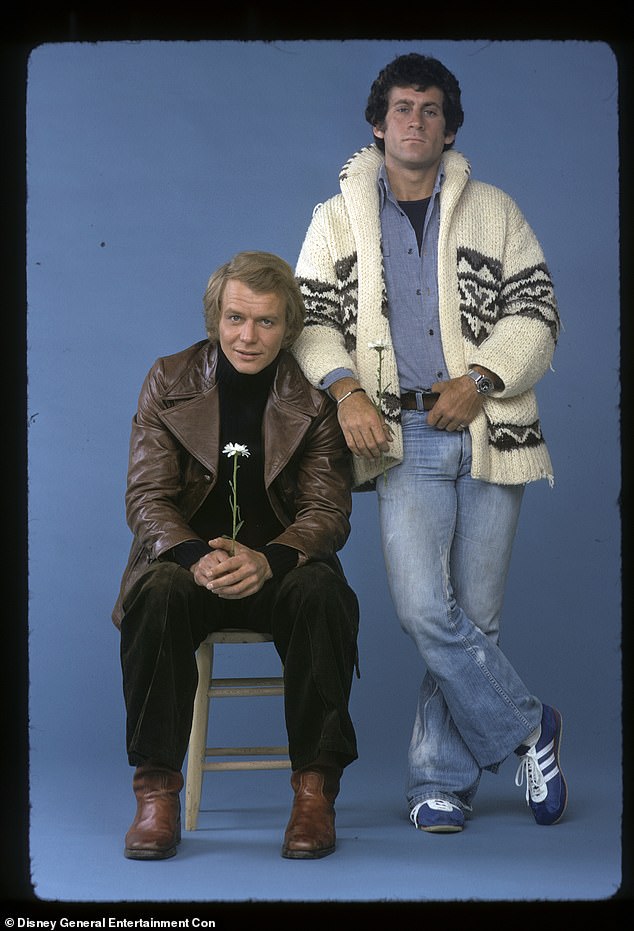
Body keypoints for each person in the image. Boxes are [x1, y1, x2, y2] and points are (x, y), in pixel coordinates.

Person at [292, 52, 567, 833]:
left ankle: (438, 782)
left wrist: (478, 378)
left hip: (489, 427)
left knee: (476, 617)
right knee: (424, 608)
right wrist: (346, 390)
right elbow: (310, 320)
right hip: (396, 431)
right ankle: (529, 726)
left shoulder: (497, 211)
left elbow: (538, 313)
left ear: (449, 128)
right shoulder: (334, 218)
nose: (416, 121)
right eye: (403, 109)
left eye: (432, 110)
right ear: (377, 124)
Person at [112, 251, 359, 860]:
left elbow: (328, 514)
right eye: (235, 318)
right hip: (189, 569)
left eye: (266, 322)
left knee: (324, 593)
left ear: (289, 327)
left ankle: (314, 794)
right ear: (215, 317)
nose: (247, 337)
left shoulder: (313, 399)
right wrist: (196, 556)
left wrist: (268, 560)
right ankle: (156, 794)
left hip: (281, 570)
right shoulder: (167, 379)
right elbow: (146, 497)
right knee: (156, 592)